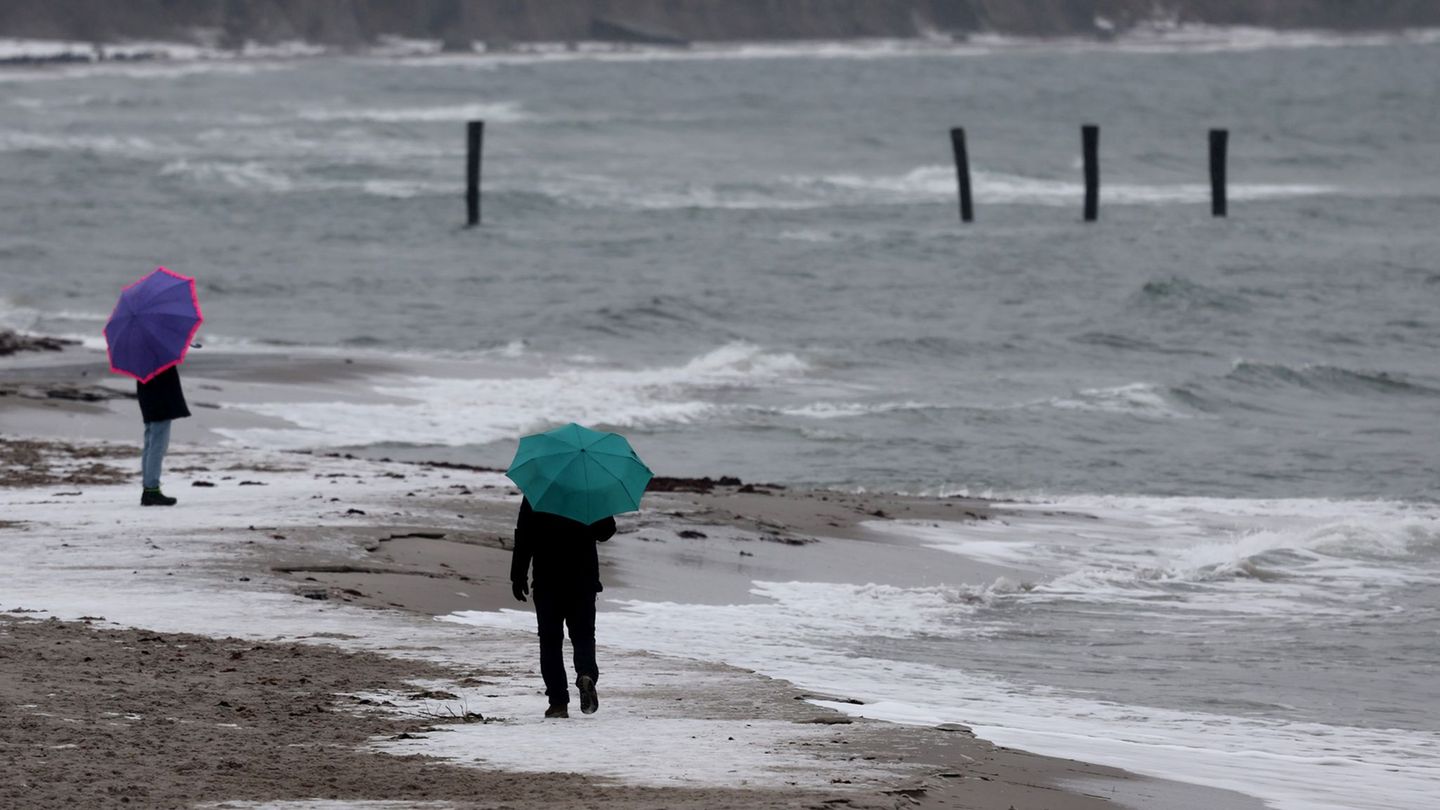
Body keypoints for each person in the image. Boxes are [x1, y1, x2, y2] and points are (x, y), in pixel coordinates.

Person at [510, 497, 616, 718]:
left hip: (547, 580)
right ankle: (586, 674)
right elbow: (606, 531)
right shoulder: (589, 491)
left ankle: (558, 703)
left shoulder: (538, 494)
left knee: (550, 642)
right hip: (583, 581)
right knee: (584, 636)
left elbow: (524, 535)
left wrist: (518, 575)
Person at [136, 365, 190, 506]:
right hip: (159, 400)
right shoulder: (158, 356)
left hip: (148, 398)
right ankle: (152, 489)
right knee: (157, 446)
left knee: (150, 444)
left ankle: (149, 489)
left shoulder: (141, 357)